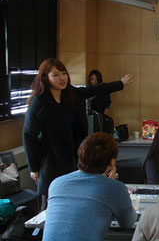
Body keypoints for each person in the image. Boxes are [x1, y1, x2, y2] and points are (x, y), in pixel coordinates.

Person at [23, 58, 133, 200]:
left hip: (74, 156)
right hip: (52, 158)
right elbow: (29, 135)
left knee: (76, 197)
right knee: (53, 200)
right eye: (56, 75)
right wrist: (33, 167)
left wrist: (120, 83)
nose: (62, 78)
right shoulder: (39, 101)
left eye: (63, 73)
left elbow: (96, 89)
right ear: (45, 78)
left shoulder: (71, 94)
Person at [38, 133, 137, 241]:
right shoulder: (114, 188)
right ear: (111, 162)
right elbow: (128, 222)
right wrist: (111, 184)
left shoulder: (56, 183)